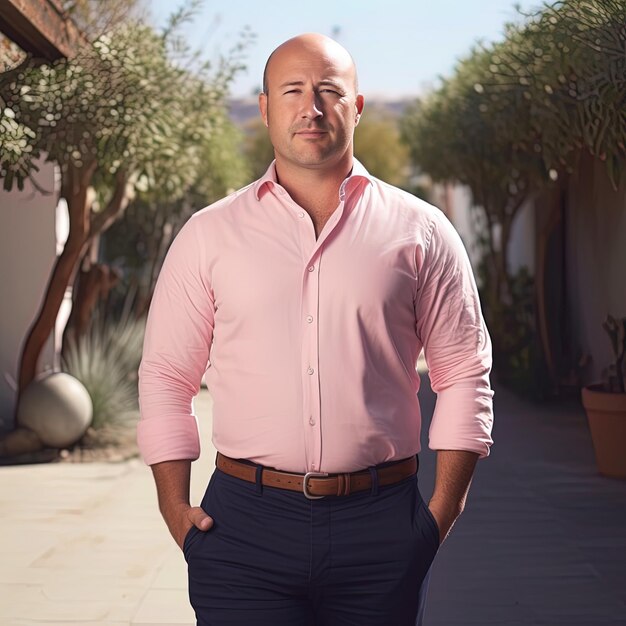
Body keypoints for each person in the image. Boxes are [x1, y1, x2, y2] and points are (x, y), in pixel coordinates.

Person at [137, 33, 494, 626]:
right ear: (266, 108)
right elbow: (168, 376)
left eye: (329, 90)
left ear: (355, 107)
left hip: (381, 526)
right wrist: (174, 509)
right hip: (242, 530)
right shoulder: (208, 235)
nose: (312, 107)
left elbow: (463, 373)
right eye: (293, 90)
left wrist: (440, 515)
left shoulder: (422, 230)